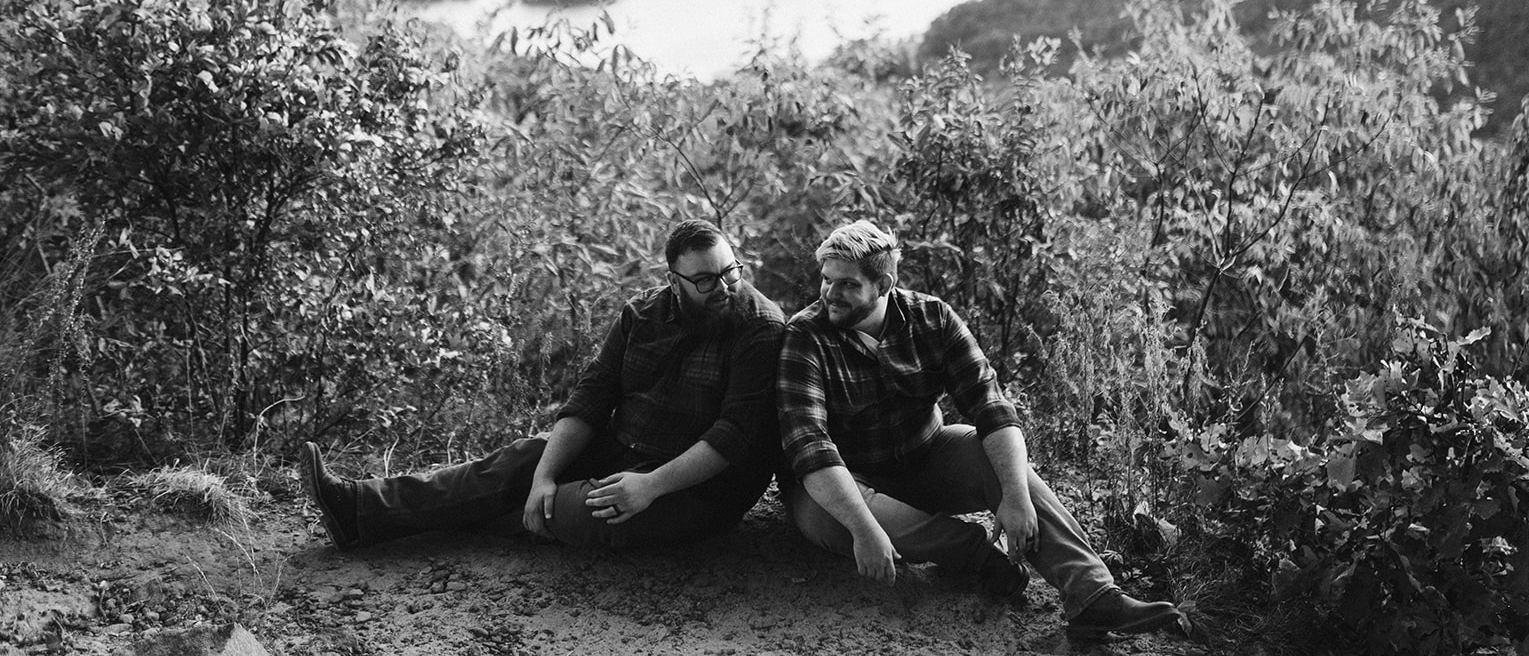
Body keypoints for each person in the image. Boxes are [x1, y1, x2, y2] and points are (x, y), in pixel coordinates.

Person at [776, 219, 1183, 638]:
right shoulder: (805, 336)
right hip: (847, 479)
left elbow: (989, 404)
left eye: (846, 285)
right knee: (823, 515)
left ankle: (1094, 597)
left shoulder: (932, 317)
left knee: (994, 458)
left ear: (884, 283)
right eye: (826, 281)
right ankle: (975, 554)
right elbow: (811, 447)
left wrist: (1015, 495)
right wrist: (864, 529)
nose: (830, 294)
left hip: (926, 455)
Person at [300, 218, 785, 552]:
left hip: (698, 487)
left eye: (730, 271)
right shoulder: (642, 314)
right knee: (518, 463)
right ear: (674, 280)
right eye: (705, 280)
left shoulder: (760, 325)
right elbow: (592, 398)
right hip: (622, 447)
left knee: (576, 513)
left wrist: (650, 487)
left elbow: (732, 435)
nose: (723, 287)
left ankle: (483, 515)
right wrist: (543, 477)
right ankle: (357, 507)